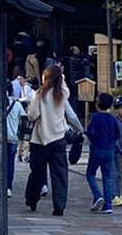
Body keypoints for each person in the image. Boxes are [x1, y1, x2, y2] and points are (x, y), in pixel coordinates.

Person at [24, 63, 81, 216]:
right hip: (59, 138)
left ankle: (32, 200)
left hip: (39, 139)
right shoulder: (62, 93)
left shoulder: (39, 94)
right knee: (60, 174)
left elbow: (33, 116)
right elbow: (63, 82)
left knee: (36, 172)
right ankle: (59, 206)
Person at [83, 91, 122, 213]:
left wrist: (91, 137)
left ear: (97, 104)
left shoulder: (95, 117)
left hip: (97, 148)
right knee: (107, 177)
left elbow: (90, 133)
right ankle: (108, 205)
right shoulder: (113, 118)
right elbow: (117, 134)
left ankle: (97, 195)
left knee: (90, 174)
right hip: (110, 150)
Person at [4, 88, 26, 192]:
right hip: (13, 136)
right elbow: (24, 118)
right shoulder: (17, 105)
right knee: (10, 162)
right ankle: (8, 187)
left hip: (1, 137)